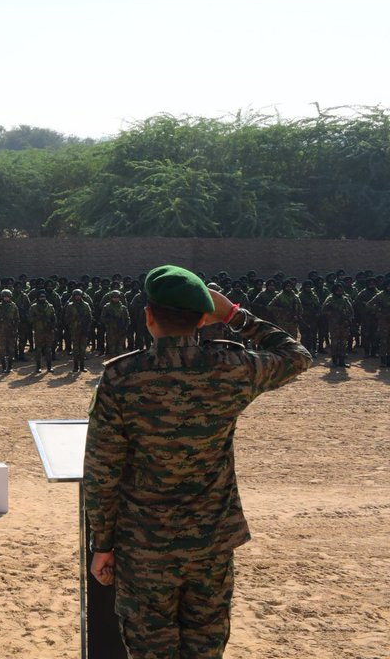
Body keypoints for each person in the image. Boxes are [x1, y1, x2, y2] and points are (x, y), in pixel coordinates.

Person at [83, 264, 311, 658]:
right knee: (205, 646)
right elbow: (296, 356)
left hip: (145, 545)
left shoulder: (122, 378)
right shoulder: (231, 368)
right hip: (211, 542)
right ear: (204, 319)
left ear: (148, 316)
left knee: (151, 648)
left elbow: (102, 470)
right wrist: (235, 315)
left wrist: (102, 545)